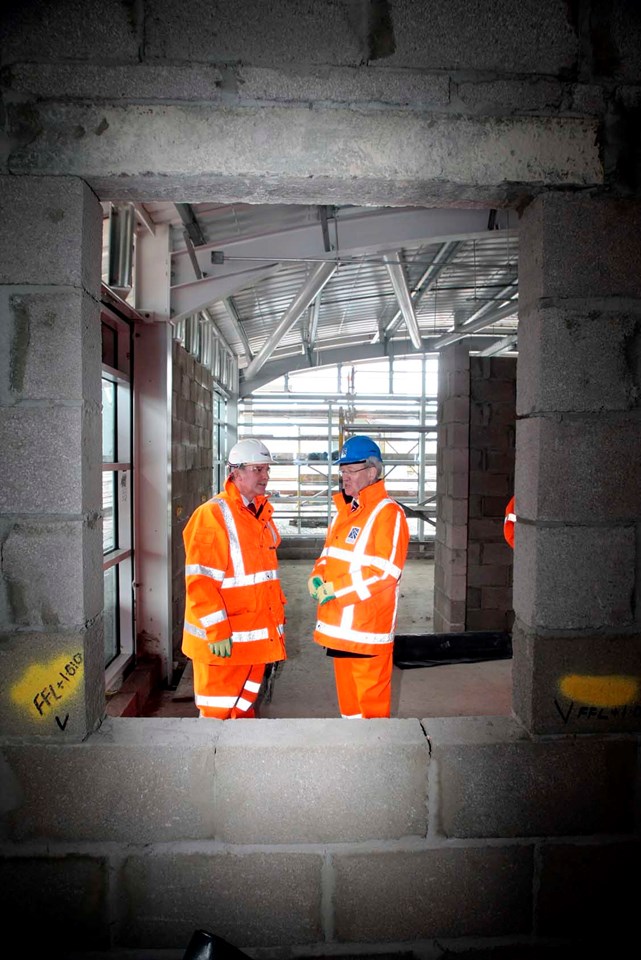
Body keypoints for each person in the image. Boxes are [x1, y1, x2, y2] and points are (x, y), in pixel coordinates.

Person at [181, 438, 287, 719]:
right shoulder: (212, 515)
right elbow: (200, 580)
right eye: (257, 469)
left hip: (252, 639)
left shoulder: (258, 512)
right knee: (217, 714)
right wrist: (216, 630)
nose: (265, 476)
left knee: (242, 710)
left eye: (266, 470)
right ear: (236, 472)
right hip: (224, 643)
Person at [308, 435, 409, 718]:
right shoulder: (344, 512)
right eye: (342, 472)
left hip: (367, 633)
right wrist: (317, 576)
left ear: (371, 472)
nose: (344, 478)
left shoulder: (389, 514)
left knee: (372, 718)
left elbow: (384, 572)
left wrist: (336, 590)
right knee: (350, 714)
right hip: (339, 630)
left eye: (350, 471)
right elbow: (327, 555)